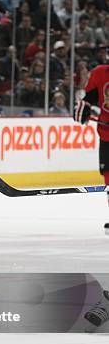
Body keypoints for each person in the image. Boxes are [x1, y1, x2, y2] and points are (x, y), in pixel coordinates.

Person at [73, 63, 109, 234]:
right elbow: (90, 97)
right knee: (108, 175)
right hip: (106, 134)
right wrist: (84, 107)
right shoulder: (101, 72)